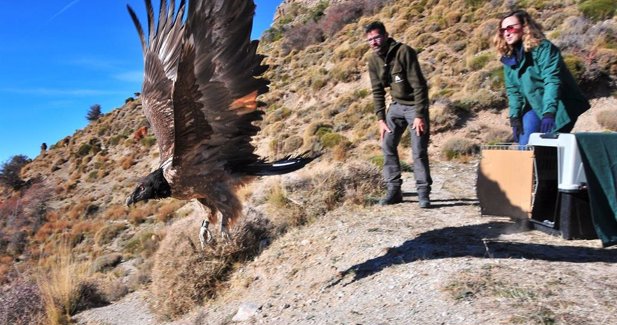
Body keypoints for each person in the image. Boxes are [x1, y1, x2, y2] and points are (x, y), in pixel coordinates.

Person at [493, 10, 590, 145]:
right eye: (503, 30)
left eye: (510, 28)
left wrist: (549, 113)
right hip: (534, 104)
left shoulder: (544, 48)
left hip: (560, 104)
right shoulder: (509, 58)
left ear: (524, 26)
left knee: (551, 148)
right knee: (525, 145)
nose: (506, 33)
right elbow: (513, 91)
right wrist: (515, 118)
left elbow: (552, 81)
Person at [365, 21, 432, 208]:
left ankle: (423, 193)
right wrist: (380, 119)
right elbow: (377, 91)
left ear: (386, 35)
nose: (374, 42)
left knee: (418, 150)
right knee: (387, 144)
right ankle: (394, 190)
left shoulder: (404, 52)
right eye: (370, 39)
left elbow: (419, 85)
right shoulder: (373, 60)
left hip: (414, 106)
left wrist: (420, 114)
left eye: (377, 37)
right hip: (396, 107)